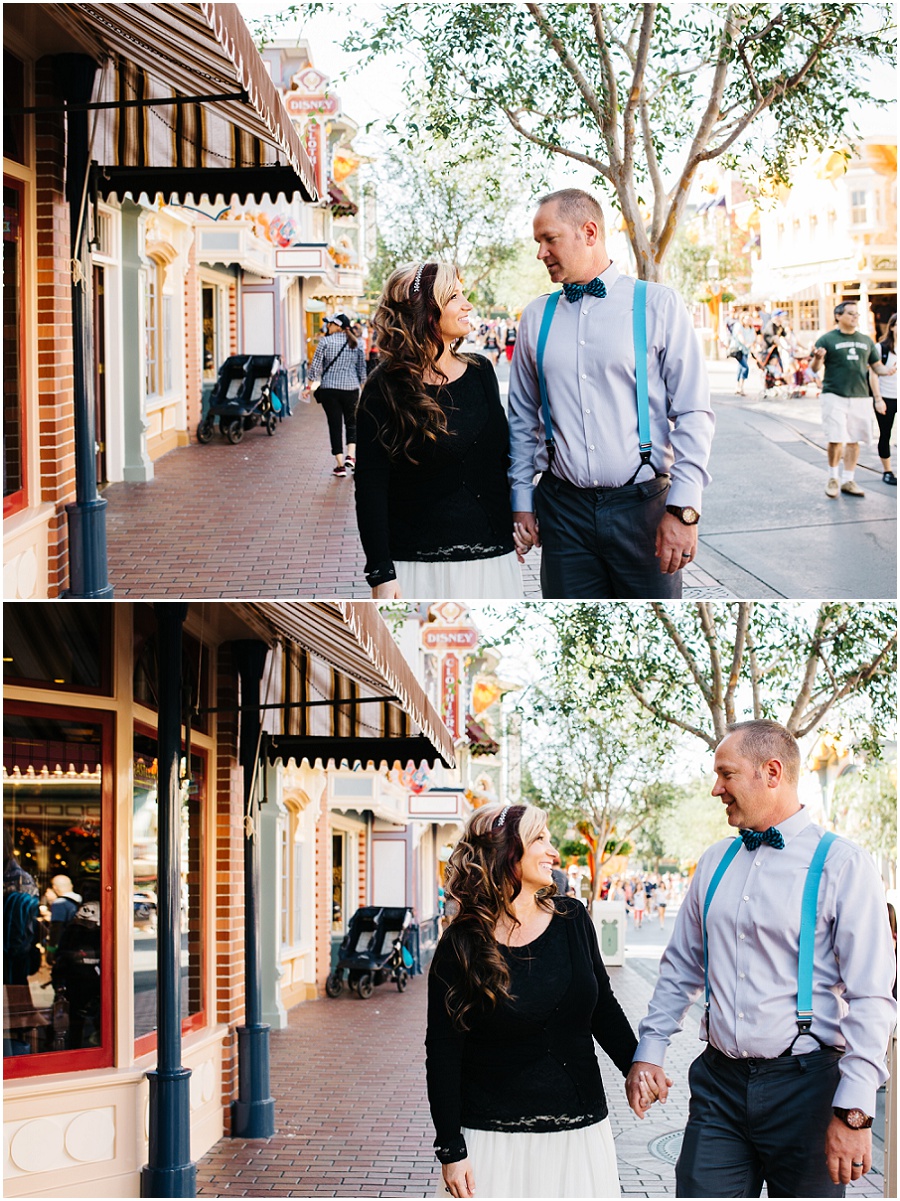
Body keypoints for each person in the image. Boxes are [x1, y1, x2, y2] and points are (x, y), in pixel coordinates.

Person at [626, 720, 896, 1198]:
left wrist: (855, 1111)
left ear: (772, 772)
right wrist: (650, 1050)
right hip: (718, 1085)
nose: (716, 789)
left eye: (726, 774)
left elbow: (872, 997)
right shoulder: (714, 861)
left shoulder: (843, 865)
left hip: (808, 1089)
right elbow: (681, 967)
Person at [426, 801, 642, 1199]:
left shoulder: (573, 919)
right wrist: (450, 1149)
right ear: (508, 853)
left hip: (579, 1136)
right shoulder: (460, 944)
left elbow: (603, 1009)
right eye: (539, 838)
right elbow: (443, 1053)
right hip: (492, 1143)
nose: (553, 851)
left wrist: (636, 1067)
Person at [509, 189, 715, 599]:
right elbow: (521, 418)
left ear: (589, 232)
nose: (541, 253)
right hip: (562, 513)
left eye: (549, 239)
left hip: (644, 509)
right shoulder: (535, 316)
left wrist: (684, 510)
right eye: (538, 243)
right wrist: (521, 499)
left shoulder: (658, 304)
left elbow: (693, 412)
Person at [354, 261, 523, 600]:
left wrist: (522, 515)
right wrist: (381, 574)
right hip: (417, 566)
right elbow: (370, 486)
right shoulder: (383, 387)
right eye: (454, 297)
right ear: (427, 311)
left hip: (492, 559)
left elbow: (502, 457)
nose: (468, 305)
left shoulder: (481, 372)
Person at [810, 301, 896, 498]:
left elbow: (877, 367)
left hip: (860, 395)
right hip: (834, 394)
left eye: (857, 314)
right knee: (835, 437)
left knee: (854, 439)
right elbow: (814, 369)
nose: (855, 317)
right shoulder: (827, 339)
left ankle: (849, 479)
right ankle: (833, 477)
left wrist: (888, 371)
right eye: (851, 314)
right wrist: (817, 358)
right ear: (838, 316)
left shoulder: (865, 341)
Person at [305, 312, 367, 478]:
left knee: (335, 425)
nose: (327, 326)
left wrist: (308, 386)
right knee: (352, 423)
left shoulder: (325, 341)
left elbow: (316, 365)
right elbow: (362, 370)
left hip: (329, 390)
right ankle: (351, 456)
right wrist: (364, 389)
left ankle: (340, 466)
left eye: (330, 324)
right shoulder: (357, 343)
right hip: (351, 389)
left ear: (338, 326)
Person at [875, 313, 897, 485]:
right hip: (887, 397)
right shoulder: (881, 348)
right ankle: (887, 470)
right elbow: (873, 375)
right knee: (886, 434)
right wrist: (878, 398)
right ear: (892, 327)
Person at [729, 313, 757, 396]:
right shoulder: (739, 326)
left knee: (740, 368)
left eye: (749, 319)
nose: (748, 321)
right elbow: (740, 336)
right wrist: (746, 344)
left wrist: (753, 346)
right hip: (739, 350)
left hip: (746, 351)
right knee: (745, 367)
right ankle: (740, 387)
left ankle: (738, 386)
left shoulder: (751, 328)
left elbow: (754, 338)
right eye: (746, 319)